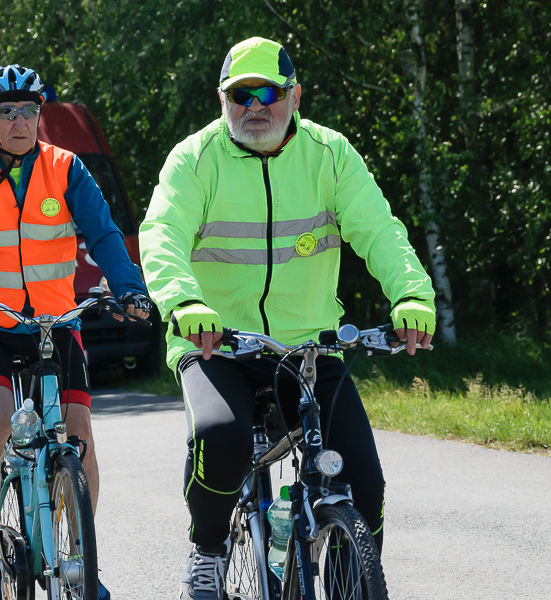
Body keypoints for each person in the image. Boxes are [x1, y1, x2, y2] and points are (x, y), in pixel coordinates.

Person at [139, 37, 437, 600]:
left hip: (309, 349)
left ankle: (353, 581)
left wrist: (411, 296)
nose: (255, 105)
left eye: (269, 92)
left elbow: (380, 231)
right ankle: (207, 552)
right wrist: (184, 304)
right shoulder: (195, 159)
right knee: (221, 438)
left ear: (295, 95)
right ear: (222, 100)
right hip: (217, 344)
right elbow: (161, 237)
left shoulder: (330, 154)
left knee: (362, 481)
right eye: (240, 94)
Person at [0, 64, 151, 600]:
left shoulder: (66, 168)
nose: (21, 121)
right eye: (8, 111)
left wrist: (128, 287)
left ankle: (80, 556)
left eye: (29, 110)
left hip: (56, 323)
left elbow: (103, 231)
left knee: (79, 434)